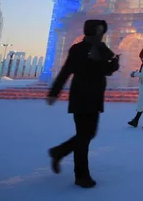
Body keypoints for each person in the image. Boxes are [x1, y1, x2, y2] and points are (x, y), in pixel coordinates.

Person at [46, 20, 120, 189]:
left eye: (102, 31)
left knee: (88, 133)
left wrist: (114, 63)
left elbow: (107, 70)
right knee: (84, 135)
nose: (101, 34)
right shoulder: (78, 49)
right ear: (91, 30)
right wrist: (54, 92)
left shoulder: (102, 48)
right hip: (81, 95)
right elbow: (66, 70)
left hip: (95, 96)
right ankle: (81, 175)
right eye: (99, 30)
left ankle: (59, 152)